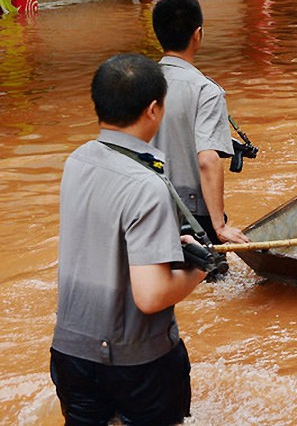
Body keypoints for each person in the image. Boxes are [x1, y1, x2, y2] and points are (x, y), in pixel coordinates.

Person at [51, 54, 208, 425]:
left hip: (71, 352)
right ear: (154, 109)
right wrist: (198, 272)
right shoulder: (147, 185)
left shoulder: (77, 161)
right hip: (138, 363)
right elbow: (151, 296)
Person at [151, 0, 249, 247]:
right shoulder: (205, 90)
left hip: (146, 206)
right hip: (192, 213)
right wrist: (219, 226)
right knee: (215, 280)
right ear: (198, 34)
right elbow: (207, 160)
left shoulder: (140, 83)